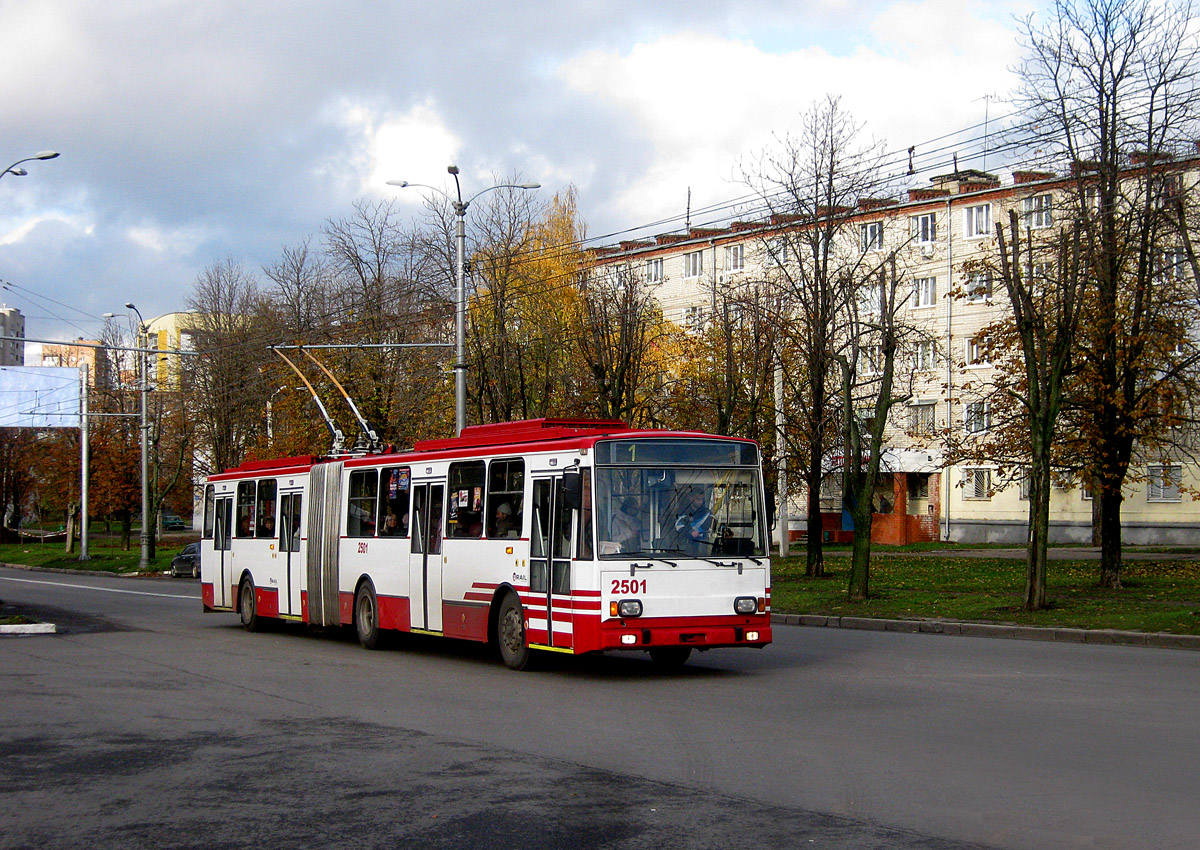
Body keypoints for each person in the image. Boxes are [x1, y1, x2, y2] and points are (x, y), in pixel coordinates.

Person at [674, 489, 714, 553]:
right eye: (698, 499)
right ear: (691, 499)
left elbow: (713, 525)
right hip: (684, 549)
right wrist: (691, 531)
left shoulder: (707, 513)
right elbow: (679, 525)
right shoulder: (682, 512)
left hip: (704, 548)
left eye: (702, 500)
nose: (701, 502)